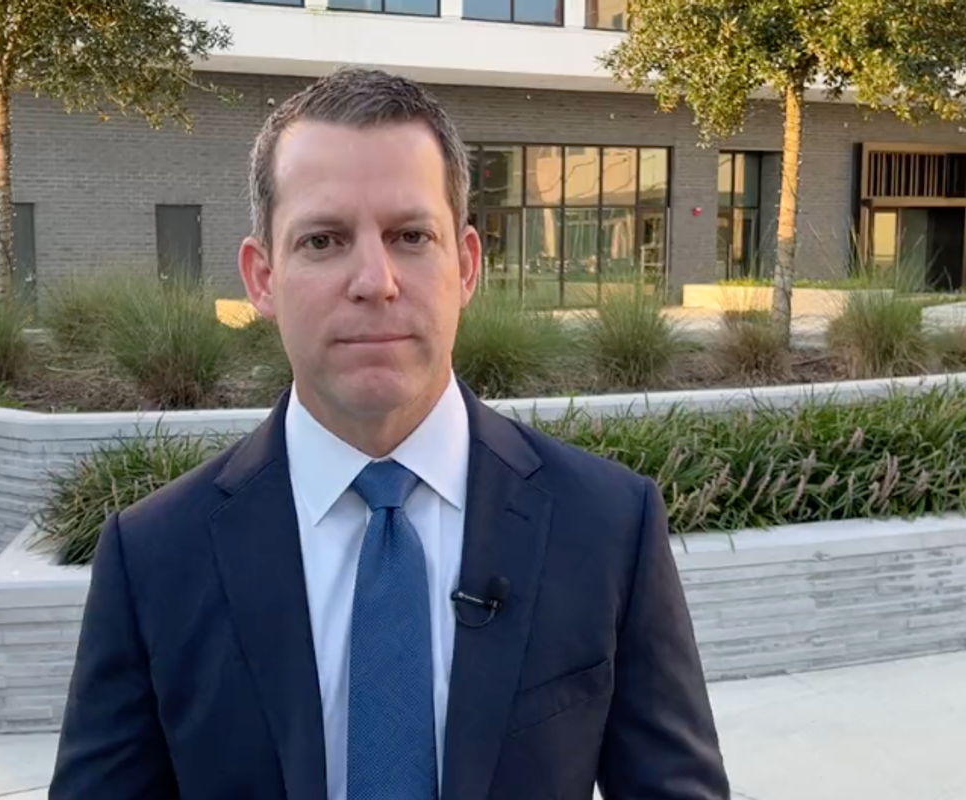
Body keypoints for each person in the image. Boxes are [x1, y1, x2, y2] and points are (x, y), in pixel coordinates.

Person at [48, 68, 730, 800]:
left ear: (466, 265)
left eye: (410, 236)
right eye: (323, 240)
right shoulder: (154, 558)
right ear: (262, 278)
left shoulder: (607, 525)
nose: (374, 280)